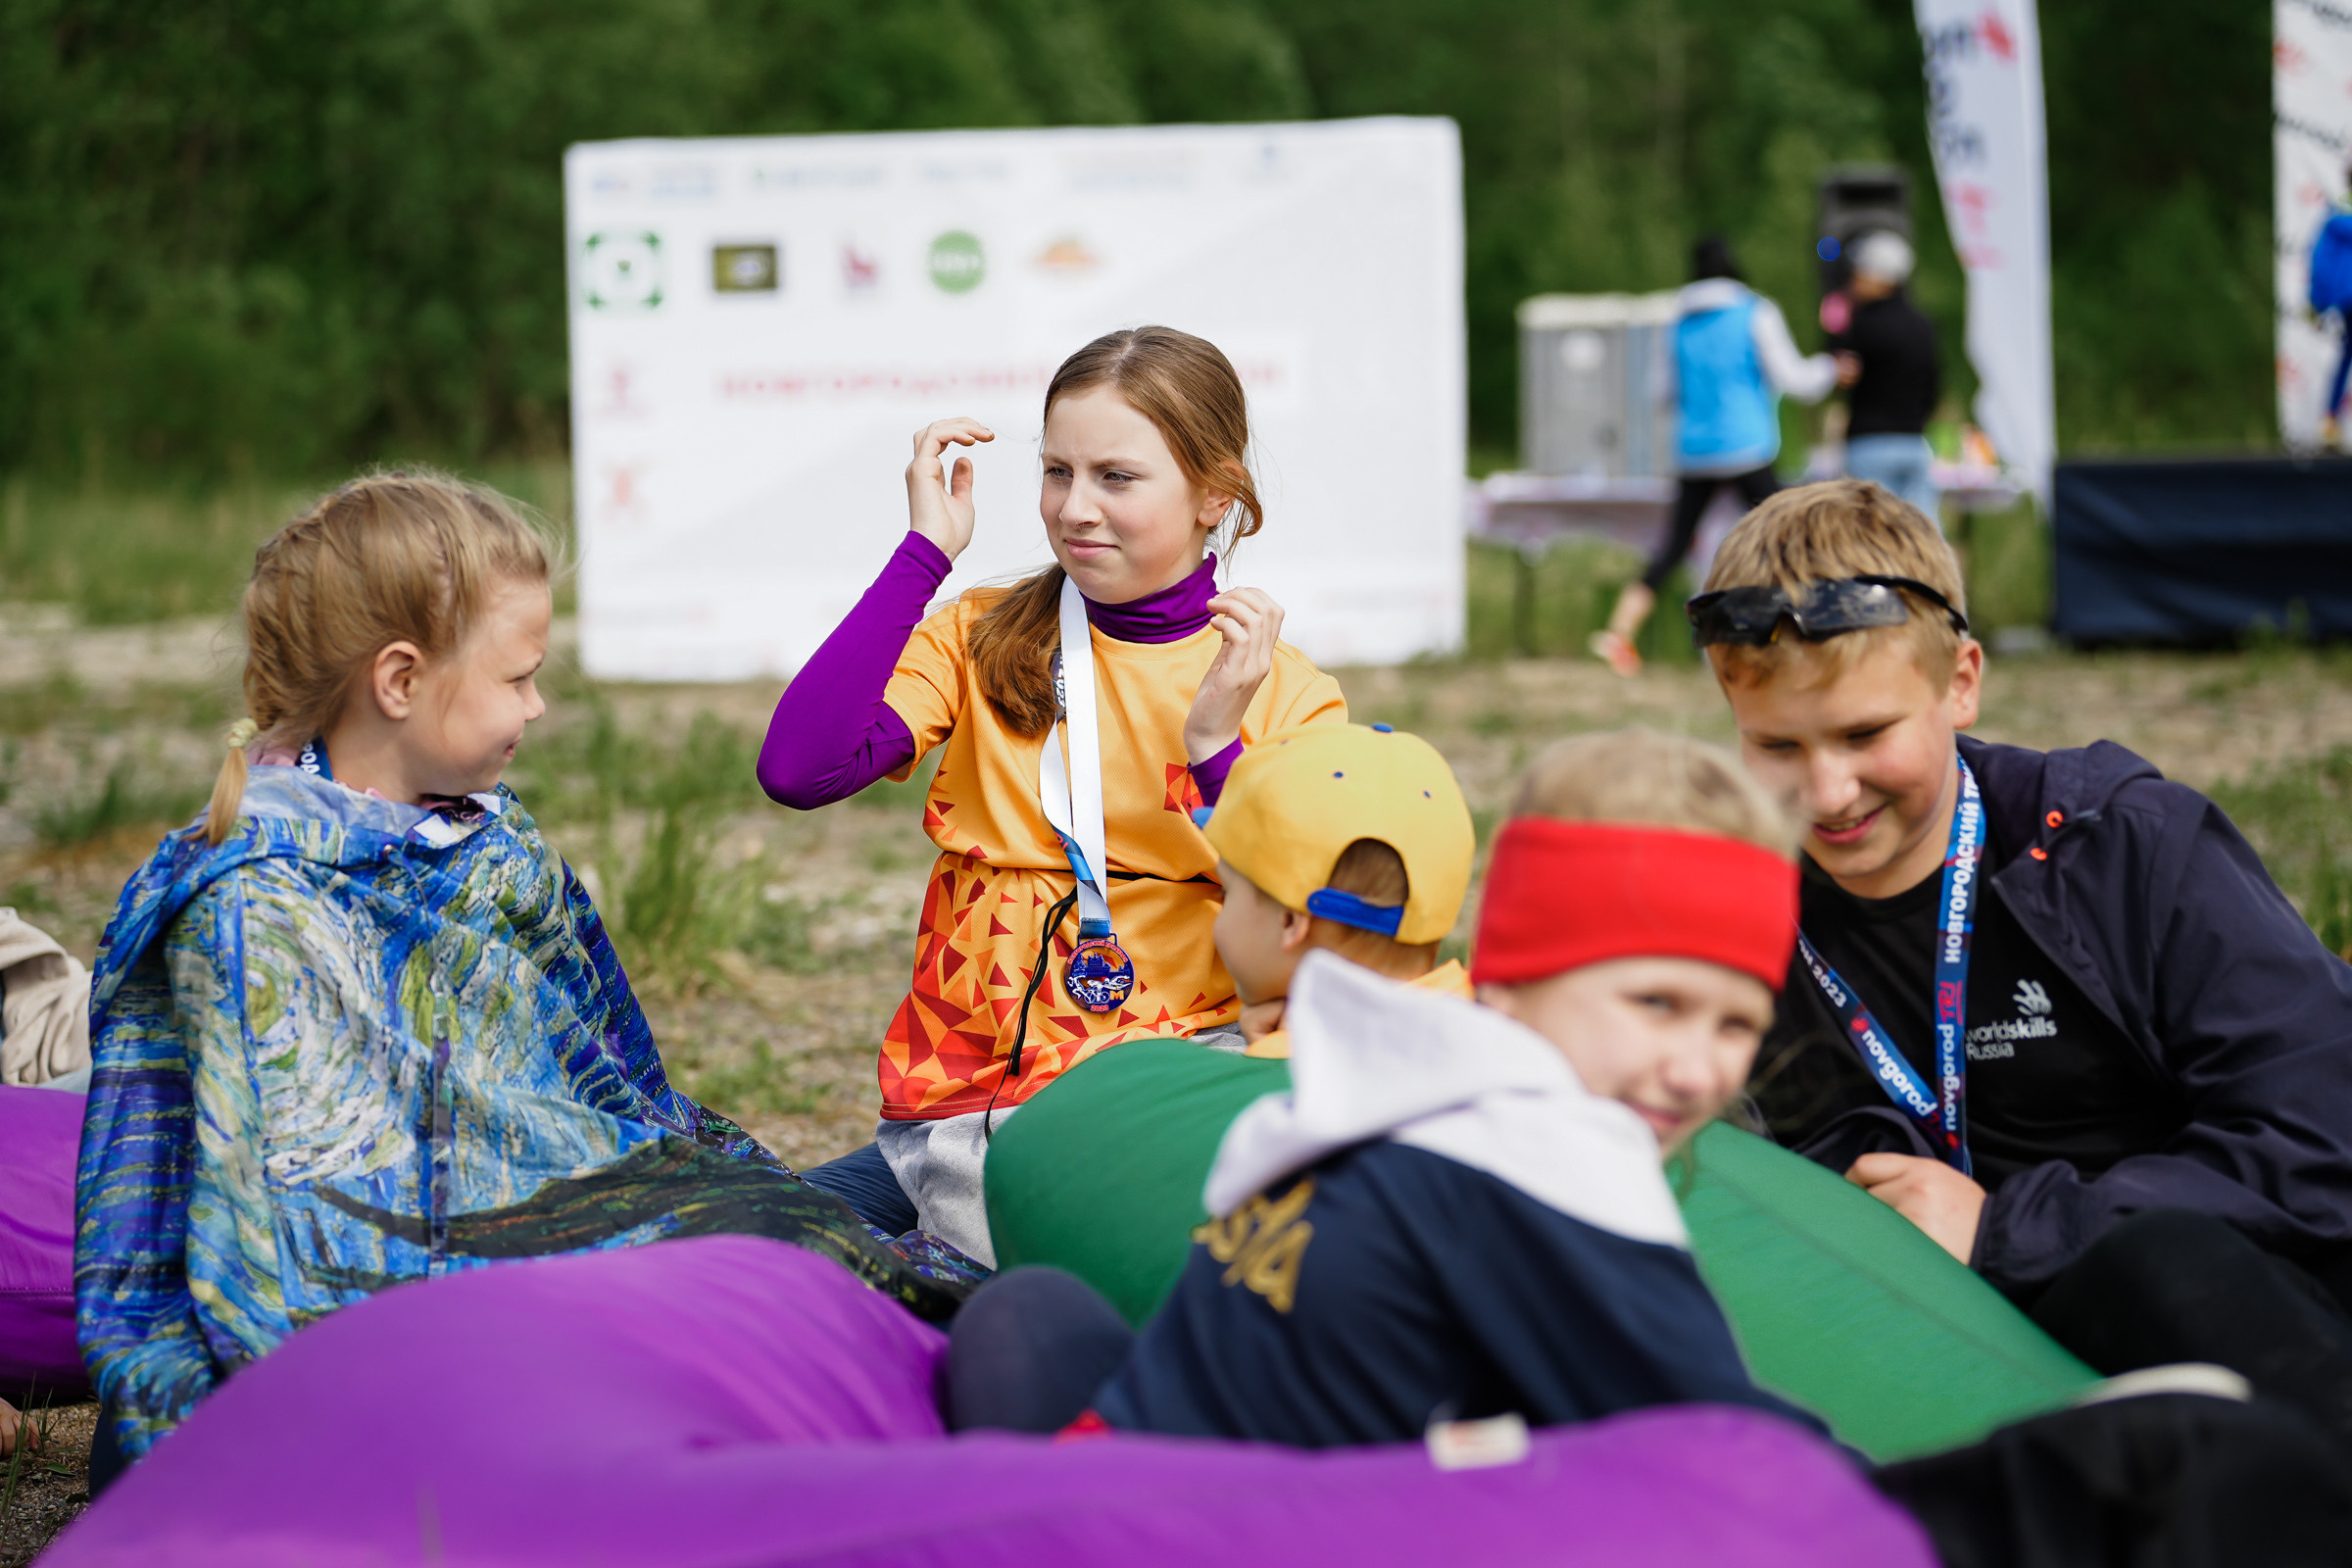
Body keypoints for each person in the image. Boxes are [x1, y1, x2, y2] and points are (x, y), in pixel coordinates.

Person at [75, 471, 976, 1471]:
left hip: (552, 1203)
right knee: (774, 1242)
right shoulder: (251, 901)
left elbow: (603, 1085)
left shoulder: (486, 838)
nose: (539, 705)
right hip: (427, 1284)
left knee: (782, 1220)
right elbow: (286, 1211)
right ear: (401, 681)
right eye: (518, 676)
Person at [1688, 478, 2352, 1451]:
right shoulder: (1729, 922)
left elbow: (2323, 1141)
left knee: (2153, 1262)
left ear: (1961, 680)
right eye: (1775, 745)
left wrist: (2007, 1227)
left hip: (2229, 1337)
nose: (1826, 791)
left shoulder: (2124, 848)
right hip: (1939, 1367)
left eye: (1866, 733)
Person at [950, 729, 1818, 1445]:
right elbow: (1734, 1448)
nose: (1699, 1069)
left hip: (1128, 1451)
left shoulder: (1389, 1080)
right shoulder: (1548, 1165)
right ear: (1511, 985)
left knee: (1023, 1312)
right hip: (1175, 1514)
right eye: (1655, 1005)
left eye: (1735, 1026)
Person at [765, 327, 1346, 1266]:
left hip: (1166, 1094)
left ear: (1216, 496)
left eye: (1117, 478)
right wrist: (922, 555)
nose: (1075, 509)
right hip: (962, 1112)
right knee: (745, 1251)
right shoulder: (978, 636)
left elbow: (1310, 921)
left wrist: (1212, 750)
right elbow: (800, 769)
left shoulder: (1284, 692)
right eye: (1056, 472)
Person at [1591, 236, 1838, 677]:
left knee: (1674, 545)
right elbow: (1793, 377)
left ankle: (1619, 632)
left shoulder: (1677, 323)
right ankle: (1823, 624)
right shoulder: (1755, 311)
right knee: (1786, 536)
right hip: (1746, 445)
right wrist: (1832, 369)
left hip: (1695, 450)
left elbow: (1659, 393)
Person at [1198, 722, 1475, 1058]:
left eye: (1227, 893)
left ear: (1290, 921)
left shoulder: (1279, 1082)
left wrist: (1270, 1050)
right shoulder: (1490, 1023)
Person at [1829, 231, 1941, 521]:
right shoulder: (1923, 325)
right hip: (1914, 443)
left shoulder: (1862, 326)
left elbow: (1841, 376)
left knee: (1871, 540)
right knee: (1921, 538)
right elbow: (1934, 386)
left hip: (1869, 445)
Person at [2312, 160, 2352, 451]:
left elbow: (2321, 264)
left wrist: (2319, 301)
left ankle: (2328, 421)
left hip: (2347, 299)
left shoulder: (2334, 216)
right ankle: (2328, 421)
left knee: (2346, 355)